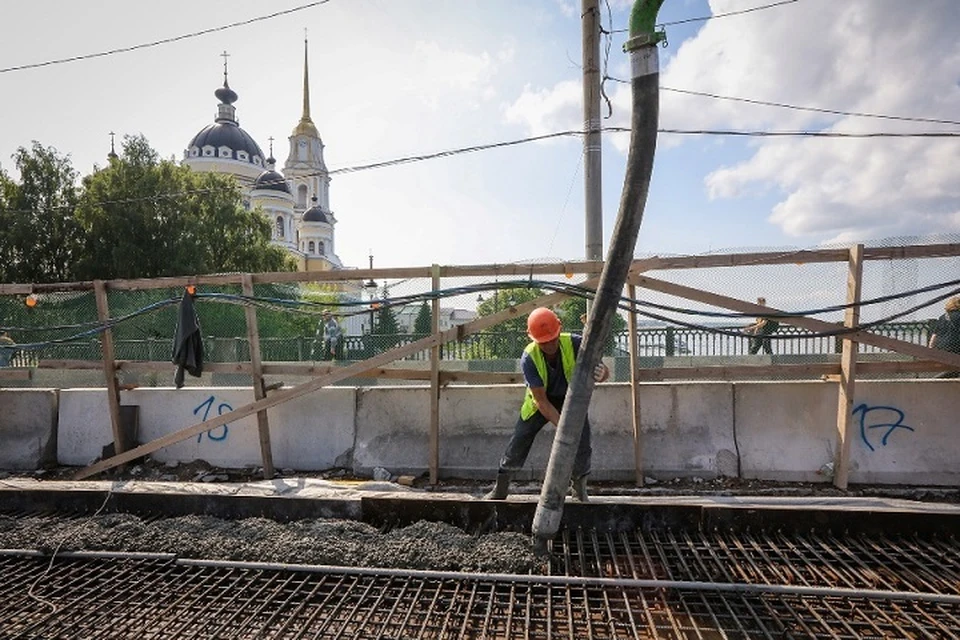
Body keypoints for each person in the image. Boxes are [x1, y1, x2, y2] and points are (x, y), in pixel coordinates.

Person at [484, 307, 609, 502]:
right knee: (520, 439)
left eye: (553, 339)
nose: (550, 345)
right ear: (533, 339)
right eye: (544, 342)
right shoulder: (529, 357)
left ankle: (579, 489)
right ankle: (501, 488)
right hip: (540, 403)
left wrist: (603, 374)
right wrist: (563, 426)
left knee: (582, 441)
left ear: (559, 330)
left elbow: (600, 369)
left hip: (571, 401)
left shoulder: (575, 343)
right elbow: (541, 401)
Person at [928, 296, 960, 378]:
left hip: (942, 348)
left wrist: (930, 348)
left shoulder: (942, 317)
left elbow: (934, 335)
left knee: (952, 368)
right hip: (956, 348)